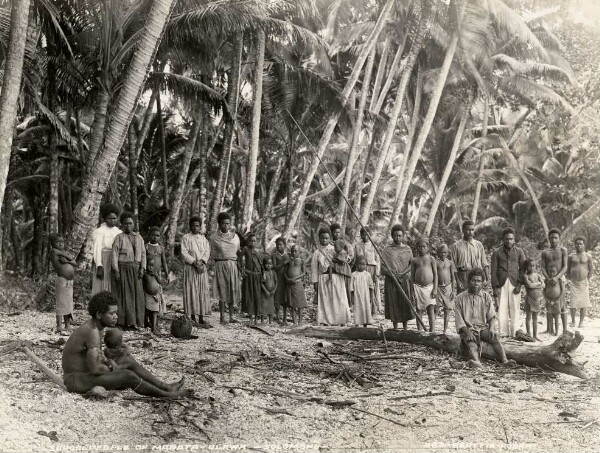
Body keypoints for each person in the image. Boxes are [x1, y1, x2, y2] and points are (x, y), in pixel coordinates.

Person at [62, 291, 192, 397]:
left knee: (127, 360)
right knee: (128, 376)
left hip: (84, 374)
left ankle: (165, 386)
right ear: (99, 314)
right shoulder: (92, 331)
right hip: (77, 380)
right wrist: (113, 368)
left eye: (116, 313)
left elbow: (97, 357)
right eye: (111, 313)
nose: (116, 316)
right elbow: (96, 369)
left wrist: (109, 361)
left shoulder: (97, 327)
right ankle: (167, 395)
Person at [454, 268, 515, 369]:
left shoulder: (486, 297)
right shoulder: (460, 298)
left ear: (482, 283)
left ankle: (505, 360)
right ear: (469, 281)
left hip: (482, 328)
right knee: (472, 344)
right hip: (467, 329)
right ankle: (477, 363)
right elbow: (459, 319)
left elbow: (491, 316)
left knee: (494, 338)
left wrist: (491, 328)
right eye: (473, 280)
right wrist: (468, 332)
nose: (476, 283)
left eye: (479, 281)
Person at [111, 212, 146, 330]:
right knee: (124, 295)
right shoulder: (119, 237)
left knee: (137, 295)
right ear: (122, 225)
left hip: (135, 269)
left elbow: (143, 254)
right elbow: (115, 254)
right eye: (125, 224)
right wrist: (116, 270)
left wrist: (142, 268)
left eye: (130, 223)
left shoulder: (139, 238)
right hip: (123, 268)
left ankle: (135, 322)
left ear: (134, 224)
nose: (128, 226)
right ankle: (123, 322)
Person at [490, 227, 526, 338]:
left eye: (511, 239)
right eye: (506, 239)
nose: (509, 241)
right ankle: (503, 333)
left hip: (515, 282)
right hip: (501, 283)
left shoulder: (519, 251)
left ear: (514, 240)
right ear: (503, 239)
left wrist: (520, 284)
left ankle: (515, 332)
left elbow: (523, 269)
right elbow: (493, 270)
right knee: (502, 308)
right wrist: (495, 287)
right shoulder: (497, 252)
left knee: (515, 308)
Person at [311, 228, 351, 326]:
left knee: (338, 299)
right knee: (326, 300)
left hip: (336, 277)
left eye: (326, 238)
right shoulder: (317, 252)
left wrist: (342, 256)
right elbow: (314, 268)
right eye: (322, 238)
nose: (324, 240)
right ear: (319, 239)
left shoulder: (335, 248)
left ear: (330, 238)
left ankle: (341, 320)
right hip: (323, 278)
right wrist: (315, 282)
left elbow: (347, 259)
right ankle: (326, 321)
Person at [380, 225, 414, 330]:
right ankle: (395, 327)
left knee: (404, 301)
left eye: (400, 236)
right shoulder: (387, 250)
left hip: (404, 279)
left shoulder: (407, 249)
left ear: (403, 236)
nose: (397, 238)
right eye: (395, 236)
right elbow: (383, 267)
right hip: (391, 280)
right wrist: (391, 273)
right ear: (392, 236)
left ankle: (405, 327)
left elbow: (411, 265)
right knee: (393, 301)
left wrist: (403, 273)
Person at [210, 212, 242, 324]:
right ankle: (222, 317)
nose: (226, 226)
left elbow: (238, 251)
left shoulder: (235, 237)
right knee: (222, 291)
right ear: (219, 224)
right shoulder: (214, 238)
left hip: (232, 265)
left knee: (232, 290)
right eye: (223, 224)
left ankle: (232, 316)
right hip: (221, 265)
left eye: (228, 224)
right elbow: (213, 255)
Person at [180, 216, 212, 327]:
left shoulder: (203, 239)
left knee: (201, 291)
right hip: (191, 269)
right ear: (190, 226)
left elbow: (207, 252)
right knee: (192, 291)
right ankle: (193, 317)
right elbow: (184, 253)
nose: (195, 227)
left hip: (201, 269)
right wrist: (194, 262)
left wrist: (202, 261)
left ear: (200, 227)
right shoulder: (186, 238)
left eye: (197, 225)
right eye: (193, 225)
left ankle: (201, 317)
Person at [541, 228, 568, 334]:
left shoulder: (563, 250)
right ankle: (549, 329)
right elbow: (543, 267)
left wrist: (557, 277)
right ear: (548, 238)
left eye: (556, 238)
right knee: (549, 304)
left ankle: (565, 330)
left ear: (559, 238)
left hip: (559, 278)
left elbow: (565, 266)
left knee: (561, 304)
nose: (553, 240)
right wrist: (548, 278)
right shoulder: (545, 252)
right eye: (551, 237)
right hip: (548, 278)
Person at [450, 220, 489, 292]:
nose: (470, 232)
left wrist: (487, 280)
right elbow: (453, 266)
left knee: (477, 299)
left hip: (477, 277)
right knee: (463, 300)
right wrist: (458, 282)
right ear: (463, 230)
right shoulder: (456, 246)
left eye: (472, 230)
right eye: (468, 230)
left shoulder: (479, 245)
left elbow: (484, 263)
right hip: (463, 276)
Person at [91, 203, 122, 295]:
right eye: (109, 218)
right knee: (103, 282)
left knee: (114, 283)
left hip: (115, 260)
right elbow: (97, 249)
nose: (112, 221)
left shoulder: (118, 231)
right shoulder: (100, 231)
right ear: (104, 218)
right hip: (104, 259)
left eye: (114, 218)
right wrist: (99, 265)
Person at [49, 234, 76, 335]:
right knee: (61, 303)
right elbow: (71, 258)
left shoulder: (62, 253)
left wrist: (68, 260)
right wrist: (68, 258)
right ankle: (59, 326)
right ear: (52, 244)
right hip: (61, 280)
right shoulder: (54, 251)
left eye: (62, 242)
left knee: (68, 303)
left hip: (69, 281)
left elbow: (75, 263)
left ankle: (67, 325)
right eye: (58, 242)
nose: (61, 244)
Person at [143, 227, 168, 334]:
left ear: (160, 237)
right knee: (146, 300)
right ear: (149, 235)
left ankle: (154, 324)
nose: (155, 237)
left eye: (157, 235)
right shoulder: (145, 247)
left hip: (157, 275)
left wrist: (167, 274)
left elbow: (164, 262)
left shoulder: (161, 248)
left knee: (156, 299)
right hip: (146, 274)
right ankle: (145, 322)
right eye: (153, 235)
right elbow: (142, 260)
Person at [411, 237, 438, 332]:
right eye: (420, 247)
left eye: (424, 246)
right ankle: (419, 332)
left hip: (430, 288)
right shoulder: (414, 260)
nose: (422, 248)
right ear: (417, 248)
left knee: (431, 310)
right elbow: (412, 277)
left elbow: (435, 274)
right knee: (419, 311)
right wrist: (412, 291)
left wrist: (435, 289)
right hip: (418, 288)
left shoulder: (431, 259)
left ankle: (432, 331)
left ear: (428, 248)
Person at [354, 227, 382, 314]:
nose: (365, 236)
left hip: (372, 268)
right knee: (362, 288)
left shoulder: (373, 245)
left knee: (372, 289)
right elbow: (355, 259)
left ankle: (373, 309)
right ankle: (363, 309)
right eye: (363, 234)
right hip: (361, 268)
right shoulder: (357, 246)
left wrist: (377, 271)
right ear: (361, 235)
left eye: (367, 234)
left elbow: (377, 259)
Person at [567, 236, 593, 328]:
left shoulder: (588, 256)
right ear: (575, 244)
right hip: (574, 282)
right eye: (577, 243)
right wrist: (569, 277)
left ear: (584, 245)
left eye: (581, 243)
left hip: (583, 282)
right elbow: (568, 268)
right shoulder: (571, 256)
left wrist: (587, 279)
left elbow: (591, 269)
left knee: (584, 303)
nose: (578, 245)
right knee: (573, 302)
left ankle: (581, 322)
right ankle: (573, 321)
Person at [240, 233, 263, 324]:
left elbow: (261, 264)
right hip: (249, 276)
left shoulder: (258, 251)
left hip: (257, 276)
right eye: (251, 241)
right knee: (249, 295)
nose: (253, 243)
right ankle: (250, 316)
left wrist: (263, 274)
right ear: (248, 241)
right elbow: (239, 260)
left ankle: (257, 316)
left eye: (254, 241)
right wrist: (242, 269)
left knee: (257, 295)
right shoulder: (245, 249)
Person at [436, 244, 457, 335]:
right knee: (436, 308)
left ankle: (444, 330)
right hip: (438, 287)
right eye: (441, 252)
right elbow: (434, 275)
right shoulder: (436, 262)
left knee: (447, 309)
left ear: (448, 253)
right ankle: (432, 327)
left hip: (448, 287)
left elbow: (453, 277)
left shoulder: (450, 263)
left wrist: (453, 290)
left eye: (445, 252)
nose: (443, 254)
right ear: (438, 253)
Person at [285, 245, 307, 325]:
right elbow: (285, 272)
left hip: (298, 283)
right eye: (292, 251)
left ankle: (300, 322)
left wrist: (296, 278)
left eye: (296, 251)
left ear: (299, 252)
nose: (293, 253)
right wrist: (287, 278)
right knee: (292, 304)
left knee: (300, 304)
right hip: (290, 284)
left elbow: (304, 272)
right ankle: (294, 322)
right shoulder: (289, 262)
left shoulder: (301, 261)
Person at [523, 259, 544, 341]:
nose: (532, 268)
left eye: (533, 266)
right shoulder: (525, 276)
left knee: (535, 318)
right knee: (528, 317)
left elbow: (544, 285)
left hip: (537, 299)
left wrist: (537, 284)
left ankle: (535, 335)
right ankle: (529, 335)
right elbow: (529, 286)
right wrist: (538, 283)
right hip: (529, 298)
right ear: (526, 267)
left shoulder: (537, 275)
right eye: (530, 266)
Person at [351, 256, 374, 327]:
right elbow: (351, 287)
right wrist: (352, 297)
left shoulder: (367, 274)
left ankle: (365, 324)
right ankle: (357, 324)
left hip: (365, 295)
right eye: (360, 264)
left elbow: (371, 286)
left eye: (364, 264)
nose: (362, 266)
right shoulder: (353, 274)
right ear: (356, 265)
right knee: (357, 308)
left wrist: (371, 296)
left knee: (366, 308)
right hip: (357, 295)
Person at [271, 237, 290, 324]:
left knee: (285, 298)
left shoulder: (288, 255)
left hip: (286, 279)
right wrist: (284, 263)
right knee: (277, 297)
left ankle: (285, 318)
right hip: (278, 278)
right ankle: (277, 317)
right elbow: (275, 267)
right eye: (277, 245)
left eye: (281, 245)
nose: (279, 246)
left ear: (285, 245)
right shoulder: (274, 255)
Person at [544, 262, 566, 335]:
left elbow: (562, 290)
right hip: (549, 301)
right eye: (550, 272)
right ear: (548, 272)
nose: (552, 273)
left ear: (557, 272)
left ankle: (556, 332)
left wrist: (558, 300)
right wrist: (547, 300)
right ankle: (550, 331)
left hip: (557, 301)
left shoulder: (559, 280)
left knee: (556, 317)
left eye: (554, 272)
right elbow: (544, 291)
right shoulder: (546, 280)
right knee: (549, 315)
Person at [260, 256, 277, 324]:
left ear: (272, 264)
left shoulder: (273, 272)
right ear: (264, 265)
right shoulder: (264, 273)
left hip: (271, 293)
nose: (268, 265)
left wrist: (274, 290)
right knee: (263, 305)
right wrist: (266, 291)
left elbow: (276, 282)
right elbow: (261, 283)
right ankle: (262, 321)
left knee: (270, 306)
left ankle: (270, 321)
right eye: (267, 264)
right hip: (265, 293)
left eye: (270, 264)